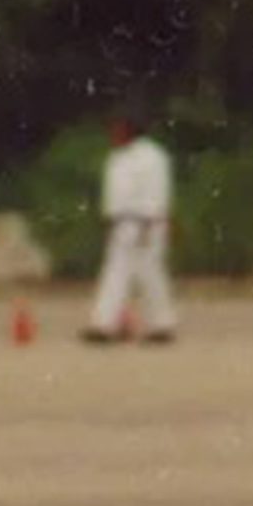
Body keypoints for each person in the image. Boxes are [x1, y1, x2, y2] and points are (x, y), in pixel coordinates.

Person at [82, 112, 178, 345]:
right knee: (116, 273)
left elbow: (157, 191)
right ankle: (104, 323)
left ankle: (160, 324)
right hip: (122, 223)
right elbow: (114, 196)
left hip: (146, 223)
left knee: (150, 273)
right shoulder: (118, 157)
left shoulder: (152, 156)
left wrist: (150, 221)